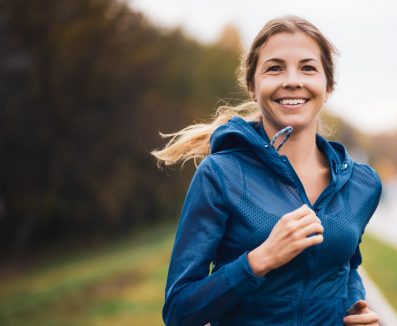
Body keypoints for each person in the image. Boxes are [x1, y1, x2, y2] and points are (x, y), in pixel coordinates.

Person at [152, 15, 382, 326]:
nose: (292, 80)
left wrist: (356, 306)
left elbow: (347, 264)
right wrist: (260, 260)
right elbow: (179, 311)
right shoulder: (220, 175)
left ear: (327, 86)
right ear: (252, 85)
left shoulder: (361, 184)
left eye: (308, 68)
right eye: (274, 68)